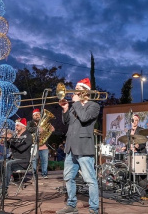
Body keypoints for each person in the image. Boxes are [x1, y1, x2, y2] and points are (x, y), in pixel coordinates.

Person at [56, 78, 100, 214]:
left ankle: (94, 209)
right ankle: (71, 205)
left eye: (77, 89)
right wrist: (65, 109)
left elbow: (85, 118)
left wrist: (75, 104)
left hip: (84, 147)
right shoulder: (75, 106)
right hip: (70, 147)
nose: (74, 91)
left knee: (90, 180)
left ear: (85, 91)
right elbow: (67, 122)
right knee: (68, 177)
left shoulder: (93, 106)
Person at [28, 108, 55, 178]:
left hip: (44, 146)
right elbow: (28, 129)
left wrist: (51, 130)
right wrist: (37, 129)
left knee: (45, 161)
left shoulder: (46, 123)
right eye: (35, 115)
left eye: (38, 114)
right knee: (34, 161)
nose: (37, 116)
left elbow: (47, 133)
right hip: (34, 145)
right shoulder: (30, 123)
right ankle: (34, 175)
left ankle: (44, 174)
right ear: (33, 116)